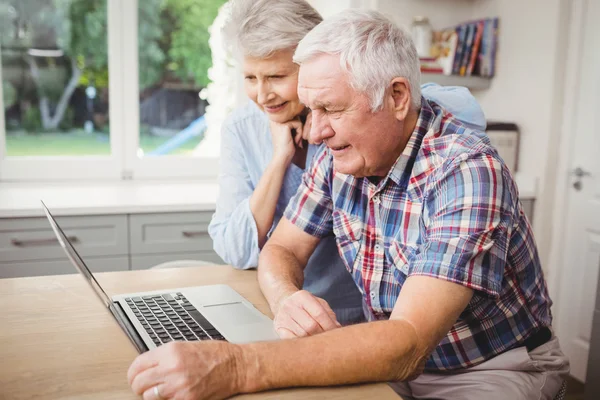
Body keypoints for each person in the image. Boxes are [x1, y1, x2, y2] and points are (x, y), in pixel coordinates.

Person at [127, 8, 567, 400]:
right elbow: (279, 250)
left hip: (488, 370)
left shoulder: (467, 171)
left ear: (396, 98)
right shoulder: (343, 156)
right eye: (311, 109)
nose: (314, 133)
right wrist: (286, 297)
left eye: (331, 109)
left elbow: (409, 341)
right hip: (394, 361)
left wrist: (239, 365)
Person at [207, 0, 486, 329]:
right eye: (250, 77)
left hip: (363, 319)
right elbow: (245, 250)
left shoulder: (372, 133)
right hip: (293, 310)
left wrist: (330, 109)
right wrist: (279, 158)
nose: (263, 94)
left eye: (277, 76)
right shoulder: (245, 129)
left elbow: (444, 109)